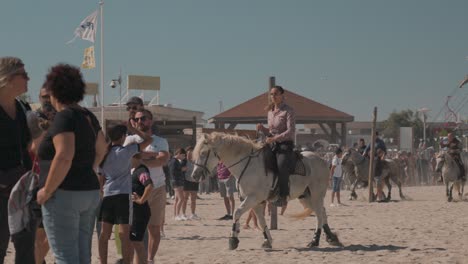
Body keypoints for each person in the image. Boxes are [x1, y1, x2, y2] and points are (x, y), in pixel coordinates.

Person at [36, 64, 108, 263]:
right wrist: (89, 167)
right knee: (82, 254)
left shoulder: (64, 117)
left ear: (55, 92)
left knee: (65, 256)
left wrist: (47, 190)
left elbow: (64, 155)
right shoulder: (88, 115)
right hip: (89, 191)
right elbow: (102, 147)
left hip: (64, 193)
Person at [98, 124, 153, 264]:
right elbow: (148, 140)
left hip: (108, 194)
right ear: (123, 137)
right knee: (124, 235)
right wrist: (134, 129)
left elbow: (101, 177)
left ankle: (103, 262)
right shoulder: (127, 151)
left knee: (104, 234)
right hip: (122, 195)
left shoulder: (104, 154)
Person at [0, 57, 35, 263]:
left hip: (23, 190)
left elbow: (34, 142)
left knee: (25, 252)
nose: (29, 78)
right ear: (8, 78)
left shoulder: (24, 108)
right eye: (24, 74)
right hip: (2, 189)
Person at [124, 109, 169, 264]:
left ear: (151, 120)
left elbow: (162, 160)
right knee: (133, 229)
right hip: (135, 188)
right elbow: (127, 160)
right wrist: (151, 156)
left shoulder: (161, 141)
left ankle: (150, 260)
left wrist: (139, 158)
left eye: (143, 118)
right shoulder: (129, 140)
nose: (140, 121)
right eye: (136, 119)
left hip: (157, 187)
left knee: (155, 229)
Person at [256, 85, 296, 207]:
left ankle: (283, 196)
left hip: (285, 144)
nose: (273, 96)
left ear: (282, 95)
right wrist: (263, 129)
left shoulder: (288, 110)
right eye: (271, 94)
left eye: (276, 94)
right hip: (272, 144)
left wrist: (275, 138)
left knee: (281, 164)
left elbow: (291, 131)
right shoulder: (270, 112)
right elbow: (271, 132)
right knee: (257, 160)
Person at [130, 155, 153, 264]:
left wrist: (141, 200)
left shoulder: (141, 171)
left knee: (137, 243)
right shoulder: (134, 170)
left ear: (136, 157)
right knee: (135, 242)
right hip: (135, 212)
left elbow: (149, 186)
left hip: (140, 212)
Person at [363, 132, 387, 201]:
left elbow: (384, 150)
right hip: (372, 159)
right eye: (372, 135)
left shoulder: (380, 142)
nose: (373, 136)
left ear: (377, 135)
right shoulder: (371, 142)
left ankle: (379, 196)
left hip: (378, 159)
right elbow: (366, 149)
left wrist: (382, 156)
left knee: (378, 180)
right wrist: (363, 155)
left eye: (374, 135)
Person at [182, 146, 201, 220]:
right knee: (185, 198)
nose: (190, 154)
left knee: (193, 199)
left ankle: (193, 213)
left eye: (192, 152)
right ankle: (183, 214)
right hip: (186, 181)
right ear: (186, 153)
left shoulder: (196, 161)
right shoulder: (184, 161)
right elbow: (180, 169)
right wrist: (183, 169)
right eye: (189, 152)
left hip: (194, 181)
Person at [169, 148, 187, 221]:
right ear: (178, 154)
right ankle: (177, 215)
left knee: (177, 199)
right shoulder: (173, 161)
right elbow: (172, 172)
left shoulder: (176, 161)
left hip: (177, 181)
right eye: (182, 155)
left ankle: (175, 215)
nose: (183, 157)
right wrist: (182, 169)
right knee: (181, 198)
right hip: (176, 181)